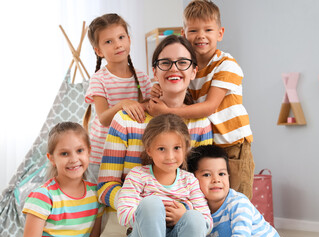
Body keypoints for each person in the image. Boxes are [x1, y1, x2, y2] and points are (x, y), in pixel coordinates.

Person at [148, 0, 254, 199]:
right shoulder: (189, 67)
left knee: (236, 198)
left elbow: (209, 107)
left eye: (208, 29)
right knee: (210, 198)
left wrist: (165, 112)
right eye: (194, 30)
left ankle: (242, 229)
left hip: (233, 144)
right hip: (209, 140)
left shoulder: (226, 65)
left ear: (220, 33)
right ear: (184, 33)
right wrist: (159, 89)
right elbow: (180, 95)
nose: (201, 36)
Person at [97, 35, 212, 211]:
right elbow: (105, 187)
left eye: (182, 63)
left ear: (194, 71)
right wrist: (142, 208)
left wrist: (182, 210)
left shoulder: (201, 125)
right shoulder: (125, 121)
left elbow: (202, 187)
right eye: (165, 63)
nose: (174, 69)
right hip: (128, 219)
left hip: (181, 220)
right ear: (155, 71)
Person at [117, 113, 212, 237]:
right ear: (149, 150)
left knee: (195, 218)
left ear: (185, 149)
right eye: (162, 149)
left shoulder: (189, 181)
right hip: (142, 235)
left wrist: (183, 214)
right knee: (151, 204)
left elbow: (207, 222)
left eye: (177, 148)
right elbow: (123, 214)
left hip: (177, 234)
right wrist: (154, 216)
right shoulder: (138, 175)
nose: (170, 156)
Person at [84, 13, 152, 183]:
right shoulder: (99, 79)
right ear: (98, 51)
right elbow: (104, 118)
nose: (117, 44)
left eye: (121, 37)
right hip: (102, 156)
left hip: (132, 155)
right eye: (109, 41)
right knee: (100, 200)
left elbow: (151, 108)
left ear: (129, 39)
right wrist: (123, 104)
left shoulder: (142, 78)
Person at [22, 122, 104, 237]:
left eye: (80, 150)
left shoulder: (97, 195)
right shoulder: (42, 197)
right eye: (64, 154)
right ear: (52, 159)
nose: (74, 159)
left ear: (89, 152)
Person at [188, 145, 281, 237]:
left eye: (221, 174)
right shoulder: (198, 208)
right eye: (207, 175)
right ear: (192, 179)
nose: (216, 180)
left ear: (228, 176)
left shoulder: (238, 203)